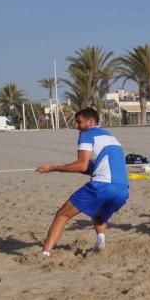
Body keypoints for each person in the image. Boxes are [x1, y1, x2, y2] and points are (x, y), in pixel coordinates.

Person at [36, 107, 129, 256]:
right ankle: (100, 241)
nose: (76, 126)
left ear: (91, 122)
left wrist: (53, 168)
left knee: (62, 215)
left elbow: (82, 165)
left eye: (79, 122)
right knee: (98, 214)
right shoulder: (109, 136)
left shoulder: (86, 134)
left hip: (102, 185)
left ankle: (44, 255)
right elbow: (91, 168)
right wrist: (72, 167)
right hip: (123, 190)